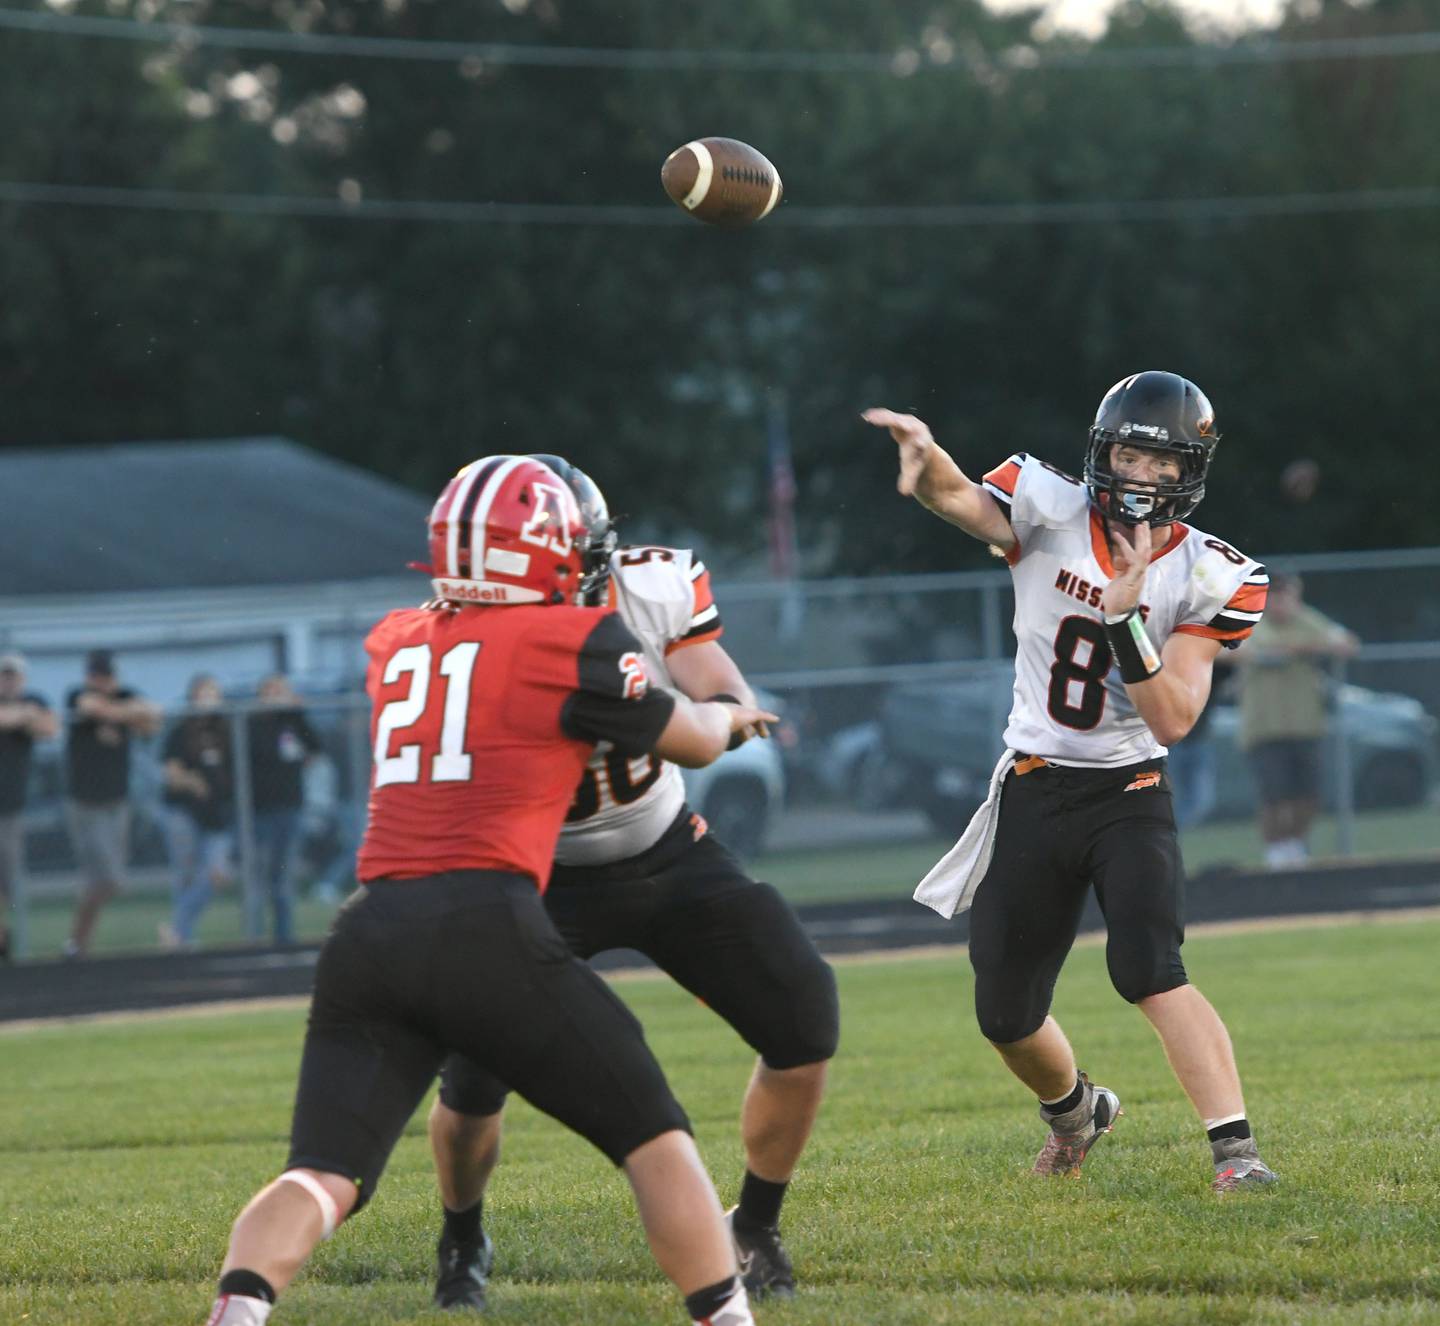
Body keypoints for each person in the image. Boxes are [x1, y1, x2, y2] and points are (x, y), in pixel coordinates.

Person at [204, 456, 775, 1326]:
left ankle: (238, 1313)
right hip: (487, 923)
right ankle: (728, 1320)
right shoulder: (575, 638)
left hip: (369, 931)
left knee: (321, 1175)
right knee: (655, 1138)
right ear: (548, 551)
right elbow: (694, 740)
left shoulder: (395, 639)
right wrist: (735, 714)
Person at [426, 455, 839, 1309]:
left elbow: (719, 684)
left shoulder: (650, 587)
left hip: (663, 847)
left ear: (585, 556)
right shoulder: (457, 634)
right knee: (470, 1087)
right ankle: (462, 1234)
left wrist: (726, 705)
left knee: (802, 1011)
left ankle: (754, 1223)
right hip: (529, 872)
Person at [866, 370, 1279, 1194]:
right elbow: (963, 502)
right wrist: (927, 460)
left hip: (1128, 790)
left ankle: (1236, 1153)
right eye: (1128, 454)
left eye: (1162, 465)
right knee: (1005, 1014)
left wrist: (1127, 619)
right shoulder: (1047, 508)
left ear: (1189, 474)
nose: (1140, 477)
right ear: (1100, 452)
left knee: (1150, 966)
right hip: (1035, 785)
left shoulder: (1213, 574)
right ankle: (1077, 1112)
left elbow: (1173, 719)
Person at [1232, 572, 1359, 867]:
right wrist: (1305, 647)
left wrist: (1311, 645)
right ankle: (1276, 852)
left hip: (1306, 725)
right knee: (1275, 798)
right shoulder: (1251, 622)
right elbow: (1250, 652)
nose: (1282, 603)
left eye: (1287, 596)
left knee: (1309, 796)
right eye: (1275, 596)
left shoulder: (1309, 621)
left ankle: (1294, 844)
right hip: (1264, 728)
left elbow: (1347, 644)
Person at [63, 649, 162, 958]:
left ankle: (77, 944)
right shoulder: (77, 694)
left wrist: (123, 711)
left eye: (107, 676)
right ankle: (77, 941)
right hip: (84, 803)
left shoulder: (126, 694)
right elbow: (90, 708)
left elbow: (153, 717)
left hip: (117, 802)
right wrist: (125, 713)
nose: (102, 682)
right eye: (97, 676)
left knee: (106, 881)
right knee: (110, 879)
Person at [246, 674, 323, 943]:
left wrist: (297, 713)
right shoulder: (251, 724)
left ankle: (284, 935)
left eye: (281, 691)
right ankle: (253, 934)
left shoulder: (293, 722)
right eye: (271, 691)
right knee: (257, 873)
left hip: (290, 807)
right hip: (258, 810)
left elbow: (315, 747)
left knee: (283, 873)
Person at [160, 674, 235, 949]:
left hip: (217, 814)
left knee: (218, 873)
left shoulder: (228, 729)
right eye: (202, 693)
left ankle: (176, 929)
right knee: (186, 873)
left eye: (212, 693)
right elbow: (171, 773)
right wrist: (193, 782)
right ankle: (184, 939)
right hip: (183, 811)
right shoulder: (180, 731)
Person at [0, 653, 60, 961]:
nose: (8, 681)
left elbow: (50, 727)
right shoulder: (24, 705)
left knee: (10, 877)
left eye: (13, 676)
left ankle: (10, 939)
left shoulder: (34, 698)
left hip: (11, 806)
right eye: (4, 675)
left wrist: (25, 715)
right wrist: (23, 716)